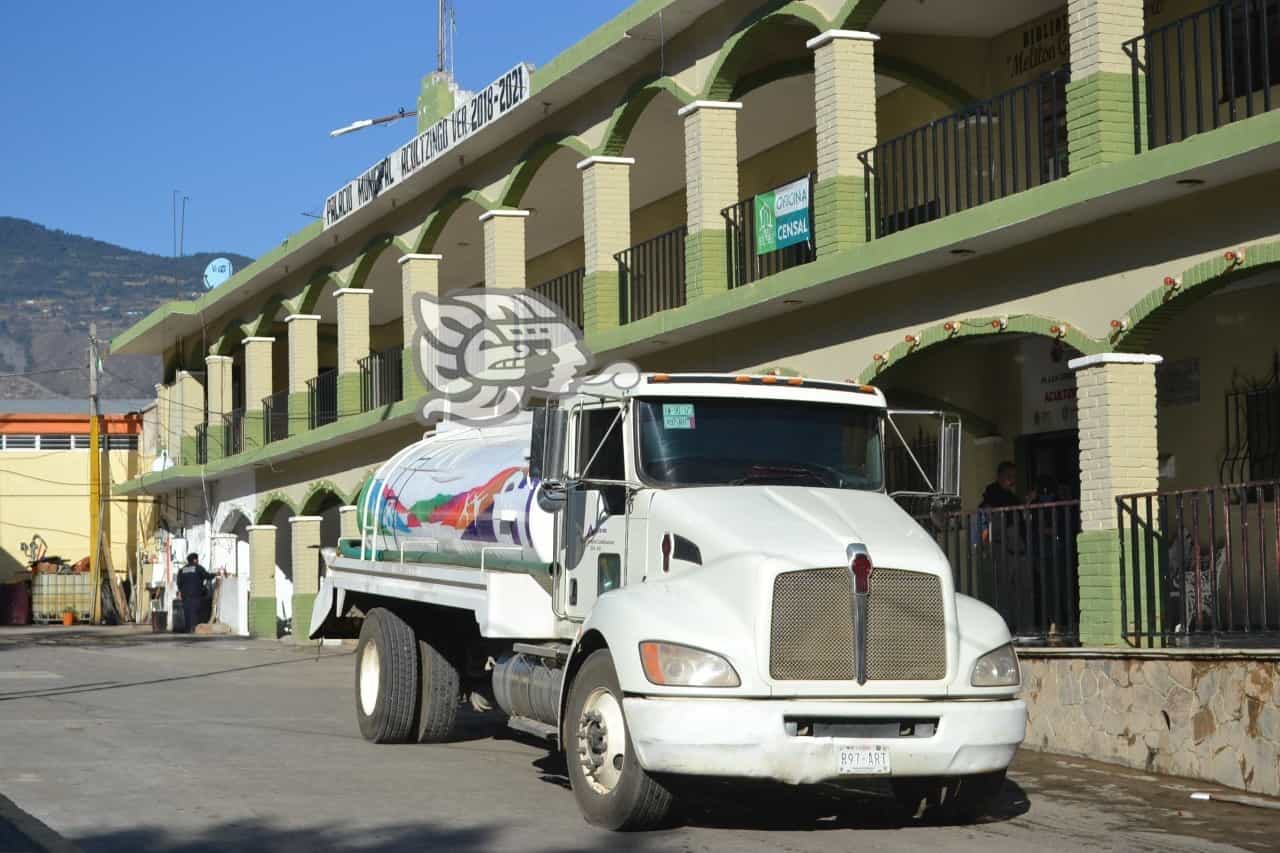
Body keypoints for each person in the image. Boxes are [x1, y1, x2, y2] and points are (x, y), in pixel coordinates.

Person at [175, 553, 214, 633]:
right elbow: (207, 576)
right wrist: (215, 574)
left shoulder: (182, 570)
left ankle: (188, 629)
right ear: (195, 560)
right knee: (195, 612)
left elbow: (179, 583)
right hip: (196, 594)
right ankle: (194, 628)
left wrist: (182, 590)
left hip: (185, 595)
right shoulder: (198, 568)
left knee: (187, 612)